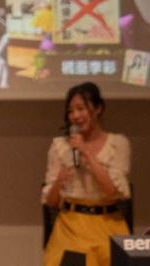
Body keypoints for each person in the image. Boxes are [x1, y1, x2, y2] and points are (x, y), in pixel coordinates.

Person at [42, 82, 130, 266]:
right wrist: (59, 180)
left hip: (108, 225)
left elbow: (111, 191)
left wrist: (86, 153)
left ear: (98, 108)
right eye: (70, 111)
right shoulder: (60, 146)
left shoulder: (118, 144)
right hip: (70, 226)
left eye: (81, 109)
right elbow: (51, 202)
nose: (75, 116)